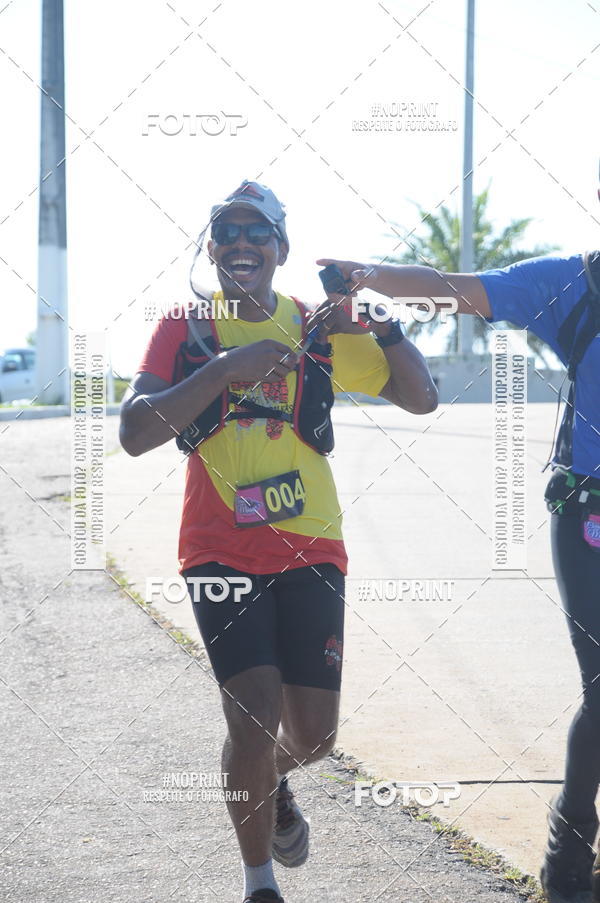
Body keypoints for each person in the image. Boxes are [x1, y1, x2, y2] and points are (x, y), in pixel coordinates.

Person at [119, 180, 438, 903]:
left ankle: (272, 780)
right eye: (227, 232)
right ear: (211, 249)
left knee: (315, 737)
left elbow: (421, 397)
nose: (242, 243)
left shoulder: (317, 328)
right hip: (218, 548)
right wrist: (226, 368)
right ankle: (259, 884)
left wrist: (380, 323)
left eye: (257, 232)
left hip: (311, 547)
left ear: (280, 248)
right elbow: (135, 431)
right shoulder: (186, 329)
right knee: (252, 719)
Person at [317, 207, 600, 903]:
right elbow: (453, 289)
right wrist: (367, 275)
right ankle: (569, 852)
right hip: (589, 512)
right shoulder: (575, 285)